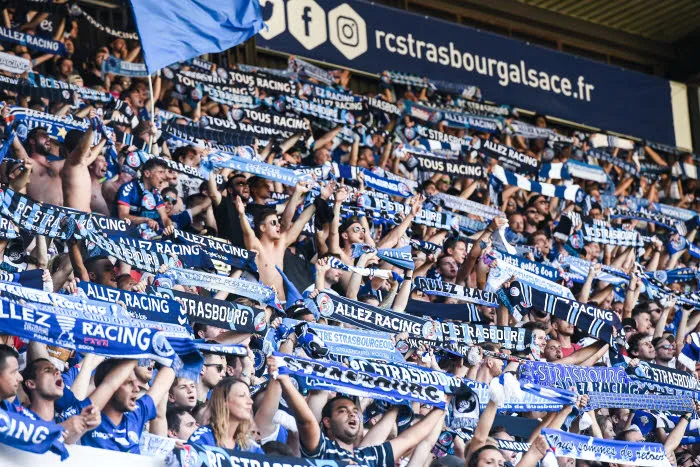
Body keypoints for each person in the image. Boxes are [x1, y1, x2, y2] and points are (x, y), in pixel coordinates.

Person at [81, 359, 175, 453]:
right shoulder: (86, 417)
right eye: (128, 383)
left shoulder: (136, 415)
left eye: (136, 383)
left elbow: (167, 375)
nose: (136, 389)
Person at [188, 377, 262, 452]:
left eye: (249, 397)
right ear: (224, 401)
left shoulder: (250, 446)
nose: (250, 402)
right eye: (242, 396)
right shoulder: (203, 438)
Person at [117, 158, 174, 233]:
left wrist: (170, 227)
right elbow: (123, 216)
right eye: (160, 172)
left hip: (145, 233)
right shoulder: (128, 188)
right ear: (147, 173)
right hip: (124, 232)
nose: (164, 177)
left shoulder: (156, 193)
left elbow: (165, 218)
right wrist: (145, 220)